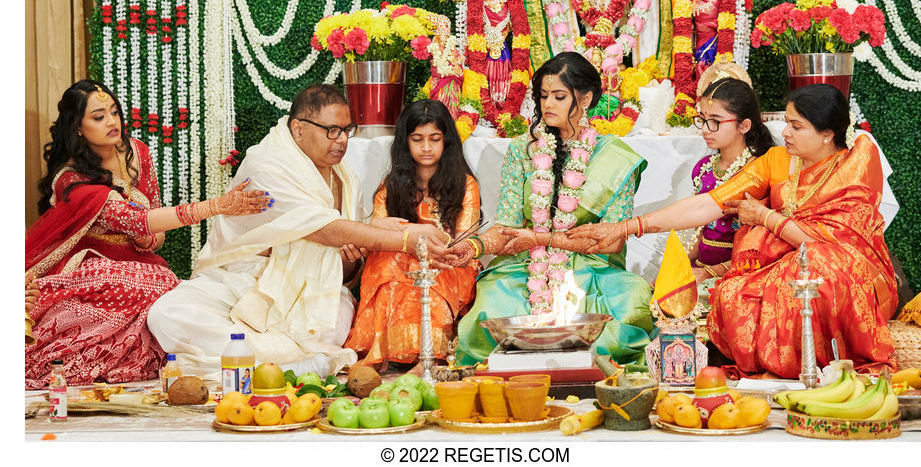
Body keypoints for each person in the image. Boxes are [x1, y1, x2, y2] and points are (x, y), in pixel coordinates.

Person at [568, 84, 898, 377]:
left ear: (827, 134)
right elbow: (707, 205)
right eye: (787, 124)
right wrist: (629, 227)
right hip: (785, 264)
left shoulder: (854, 166)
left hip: (851, 272)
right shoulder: (778, 160)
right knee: (731, 291)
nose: (785, 133)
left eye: (797, 127)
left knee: (817, 264)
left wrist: (767, 218)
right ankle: (778, 370)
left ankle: (823, 370)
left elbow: (832, 244)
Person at [147, 85, 458, 380]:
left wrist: (351, 258)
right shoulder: (267, 164)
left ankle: (274, 363)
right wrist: (405, 239)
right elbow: (324, 229)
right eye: (332, 131)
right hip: (242, 279)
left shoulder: (344, 176)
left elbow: (343, 259)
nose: (341, 141)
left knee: (337, 314)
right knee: (168, 314)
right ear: (298, 128)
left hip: (307, 291)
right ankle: (298, 364)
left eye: (346, 131)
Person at [25, 80, 269, 388]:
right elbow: (136, 221)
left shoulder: (136, 151)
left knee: (170, 290)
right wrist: (218, 205)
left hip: (140, 259)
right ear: (77, 127)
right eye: (99, 117)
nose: (112, 122)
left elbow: (152, 223)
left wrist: (150, 239)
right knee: (148, 285)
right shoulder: (72, 180)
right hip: (94, 264)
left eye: (114, 111)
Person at [453, 52, 654, 366]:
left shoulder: (616, 157)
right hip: (524, 265)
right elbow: (505, 226)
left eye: (559, 97)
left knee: (632, 303)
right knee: (487, 310)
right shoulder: (523, 149)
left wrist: (541, 240)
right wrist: (473, 246)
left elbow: (612, 240)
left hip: (593, 268)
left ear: (585, 98)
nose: (548, 105)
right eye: (543, 96)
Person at [344, 100, 481, 373]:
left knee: (420, 265)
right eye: (417, 139)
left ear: (447, 142)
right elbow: (375, 231)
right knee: (386, 261)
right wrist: (415, 233)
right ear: (405, 143)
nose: (426, 147)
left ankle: (429, 357)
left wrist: (400, 231)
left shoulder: (465, 184)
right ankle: (380, 352)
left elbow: (458, 240)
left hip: (449, 263)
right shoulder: (392, 184)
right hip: (402, 258)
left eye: (434, 139)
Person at [687, 69, 775, 286]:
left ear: (744, 125)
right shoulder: (703, 168)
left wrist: (710, 273)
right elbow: (699, 229)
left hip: (741, 274)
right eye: (703, 119)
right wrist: (679, 265)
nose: (706, 129)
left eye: (715, 121)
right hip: (702, 269)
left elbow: (763, 245)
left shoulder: (758, 171)